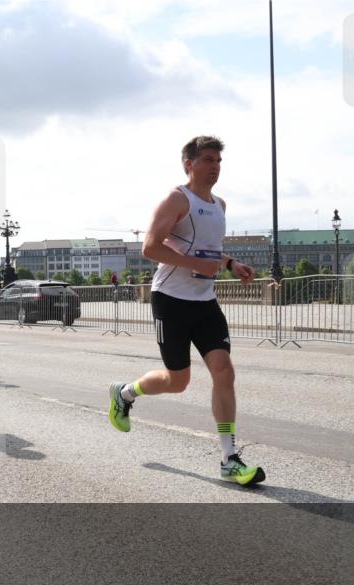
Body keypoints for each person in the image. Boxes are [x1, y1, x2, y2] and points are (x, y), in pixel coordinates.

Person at [108, 135, 263, 486]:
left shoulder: (220, 205)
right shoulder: (177, 199)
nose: (215, 167)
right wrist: (193, 261)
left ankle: (229, 457)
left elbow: (209, 250)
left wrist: (230, 263)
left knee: (224, 371)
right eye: (208, 160)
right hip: (171, 301)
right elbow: (150, 247)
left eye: (218, 161)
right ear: (189, 164)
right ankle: (125, 393)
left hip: (205, 303)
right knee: (178, 381)